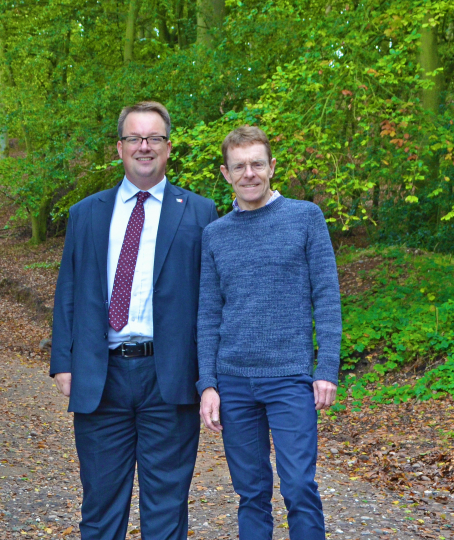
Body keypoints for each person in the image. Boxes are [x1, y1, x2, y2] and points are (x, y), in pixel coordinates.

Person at [50, 101, 218, 540]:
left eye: (154, 138)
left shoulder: (200, 212)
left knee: (166, 508)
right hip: (101, 376)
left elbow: (211, 300)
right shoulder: (86, 213)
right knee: (101, 506)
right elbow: (69, 289)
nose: (144, 146)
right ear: (119, 147)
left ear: (168, 148)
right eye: (135, 138)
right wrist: (64, 362)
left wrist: (210, 376)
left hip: (170, 378)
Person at [196, 125, 341, 540]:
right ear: (226, 173)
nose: (249, 174)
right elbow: (207, 315)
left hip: (290, 378)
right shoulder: (215, 235)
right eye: (239, 166)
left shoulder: (305, 218)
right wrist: (208, 383)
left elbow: (327, 297)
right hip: (235, 382)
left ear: (272, 167)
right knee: (251, 492)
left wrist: (326, 368)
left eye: (257, 164)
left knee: (298, 487)